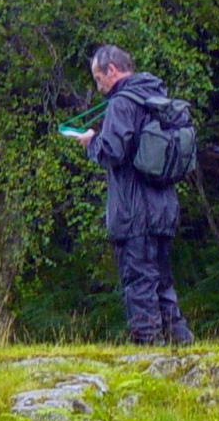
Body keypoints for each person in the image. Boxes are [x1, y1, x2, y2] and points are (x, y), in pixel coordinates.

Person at [75, 45, 193, 346]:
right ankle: (181, 345)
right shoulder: (157, 98)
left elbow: (112, 151)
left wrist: (90, 143)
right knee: (162, 283)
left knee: (139, 284)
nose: (98, 86)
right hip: (164, 209)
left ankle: (147, 349)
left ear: (112, 70)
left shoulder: (122, 103)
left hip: (133, 212)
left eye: (98, 78)